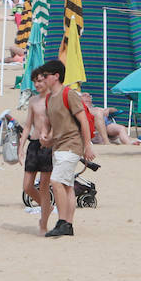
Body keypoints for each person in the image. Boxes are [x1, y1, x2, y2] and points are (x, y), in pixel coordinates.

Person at [40, 58, 95, 239]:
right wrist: (46, 136)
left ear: (56, 76)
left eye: (46, 76)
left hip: (72, 145)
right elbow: (49, 123)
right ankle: (69, 224)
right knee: (67, 186)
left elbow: (83, 120)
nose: (43, 79)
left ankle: (62, 222)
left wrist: (87, 145)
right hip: (58, 146)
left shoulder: (69, 94)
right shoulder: (49, 98)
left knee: (55, 181)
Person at [20, 65, 55, 234]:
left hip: (47, 145)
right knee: (27, 186)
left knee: (43, 185)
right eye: (35, 82)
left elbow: (58, 123)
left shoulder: (53, 99)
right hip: (33, 143)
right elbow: (27, 125)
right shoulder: (33, 100)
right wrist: (21, 146)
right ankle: (46, 207)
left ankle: (43, 223)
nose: (37, 84)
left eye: (40, 81)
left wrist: (50, 136)